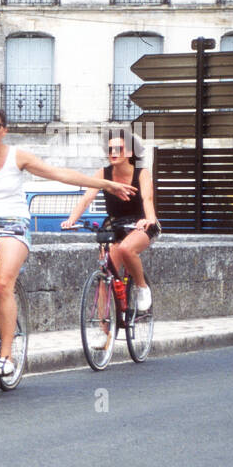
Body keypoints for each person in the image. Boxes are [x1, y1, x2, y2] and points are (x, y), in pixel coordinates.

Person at [0, 108, 137, 378]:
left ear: (4, 130)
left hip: (14, 223)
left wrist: (106, 184)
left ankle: (6, 354)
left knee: (4, 282)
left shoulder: (16, 157)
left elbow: (58, 174)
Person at [61, 130, 159, 345]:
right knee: (106, 276)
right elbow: (87, 198)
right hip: (115, 224)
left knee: (126, 249)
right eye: (110, 149)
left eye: (119, 149)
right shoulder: (102, 173)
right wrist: (71, 220)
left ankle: (142, 288)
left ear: (130, 152)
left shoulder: (141, 173)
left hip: (140, 223)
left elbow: (147, 199)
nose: (114, 153)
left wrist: (149, 220)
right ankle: (106, 331)